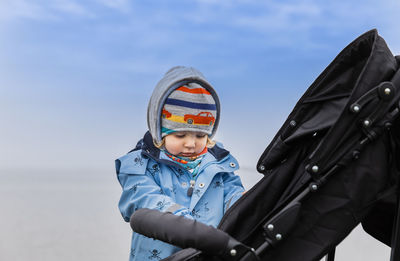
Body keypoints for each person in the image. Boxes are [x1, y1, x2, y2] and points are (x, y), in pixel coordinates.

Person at [116, 66, 245, 261]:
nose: (190, 144)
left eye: (200, 135)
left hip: (208, 255)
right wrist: (180, 219)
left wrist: (248, 202)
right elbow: (141, 199)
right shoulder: (139, 165)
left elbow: (235, 198)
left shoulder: (219, 165)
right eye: (180, 135)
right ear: (159, 131)